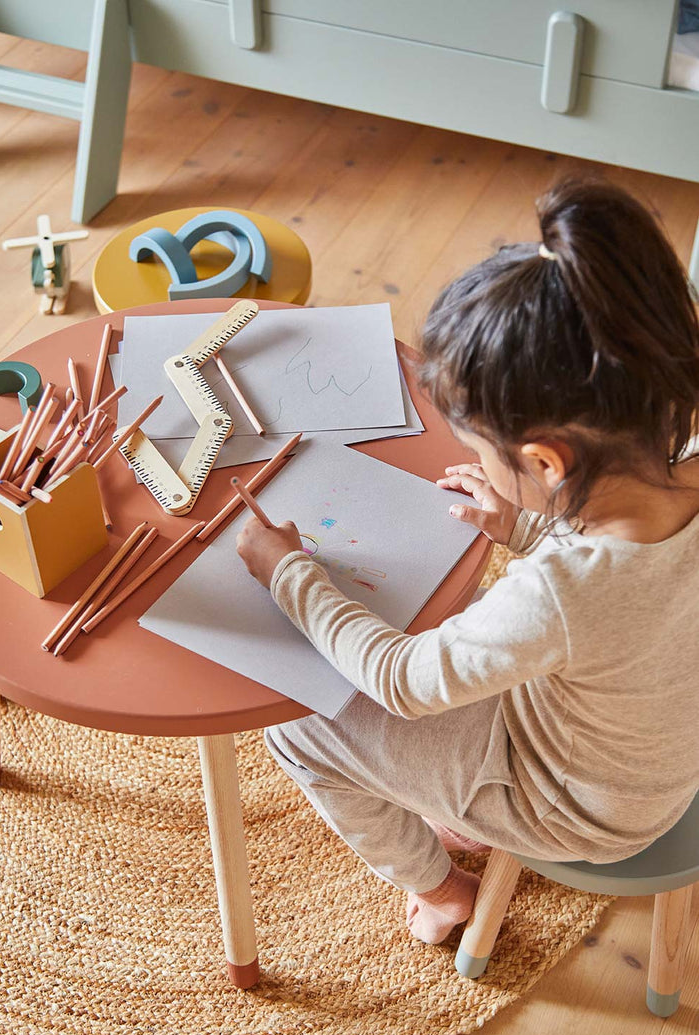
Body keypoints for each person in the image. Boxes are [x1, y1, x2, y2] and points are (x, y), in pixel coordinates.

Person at [236, 178, 699, 945]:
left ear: (548, 461)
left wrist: (289, 574)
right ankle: (450, 815)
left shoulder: (563, 595)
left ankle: (443, 890)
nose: (472, 459)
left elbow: (404, 682)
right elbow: (641, 602)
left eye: (481, 447)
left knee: (300, 726)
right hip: (657, 753)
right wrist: (521, 524)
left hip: (574, 803)